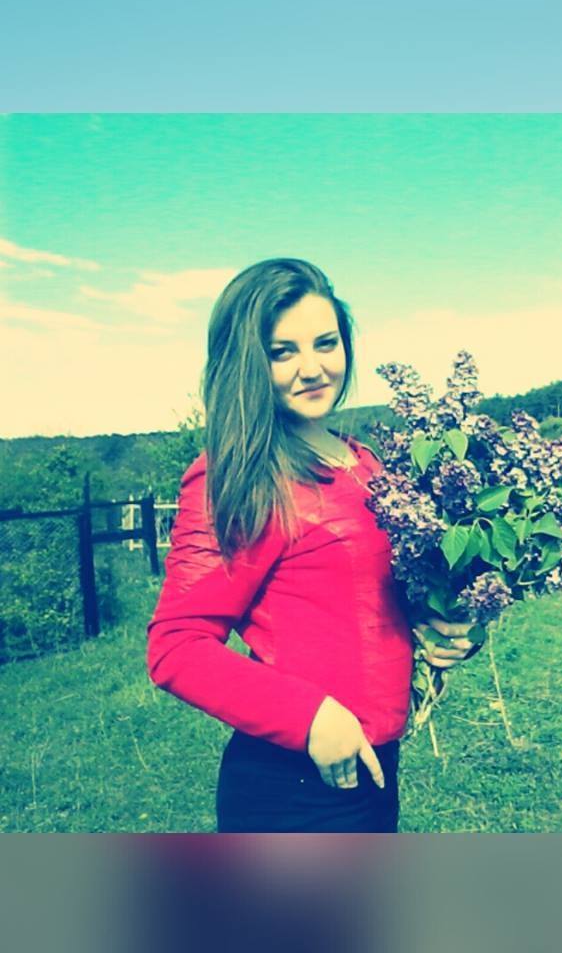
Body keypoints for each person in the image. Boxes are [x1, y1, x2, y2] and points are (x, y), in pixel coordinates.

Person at [146, 257, 473, 833]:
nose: (313, 368)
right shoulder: (239, 476)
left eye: (326, 343)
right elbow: (176, 645)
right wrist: (311, 717)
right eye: (282, 352)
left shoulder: (363, 461)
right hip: (294, 786)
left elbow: (366, 595)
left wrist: (437, 625)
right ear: (247, 364)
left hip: (374, 768)